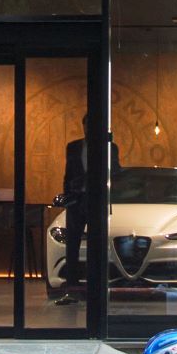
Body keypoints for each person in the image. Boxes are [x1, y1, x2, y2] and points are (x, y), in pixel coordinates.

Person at [60, 114, 120, 290]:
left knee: (97, 242)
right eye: (85, 126)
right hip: (77, 198)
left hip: (96, 198)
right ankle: (72, 281)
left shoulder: (109, 147)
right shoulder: (73, 147)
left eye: (91, 126)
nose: (88, 129)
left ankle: (96, 279)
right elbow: (68, 174)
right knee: (72, 242)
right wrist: (68, 196)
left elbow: (116, 171)